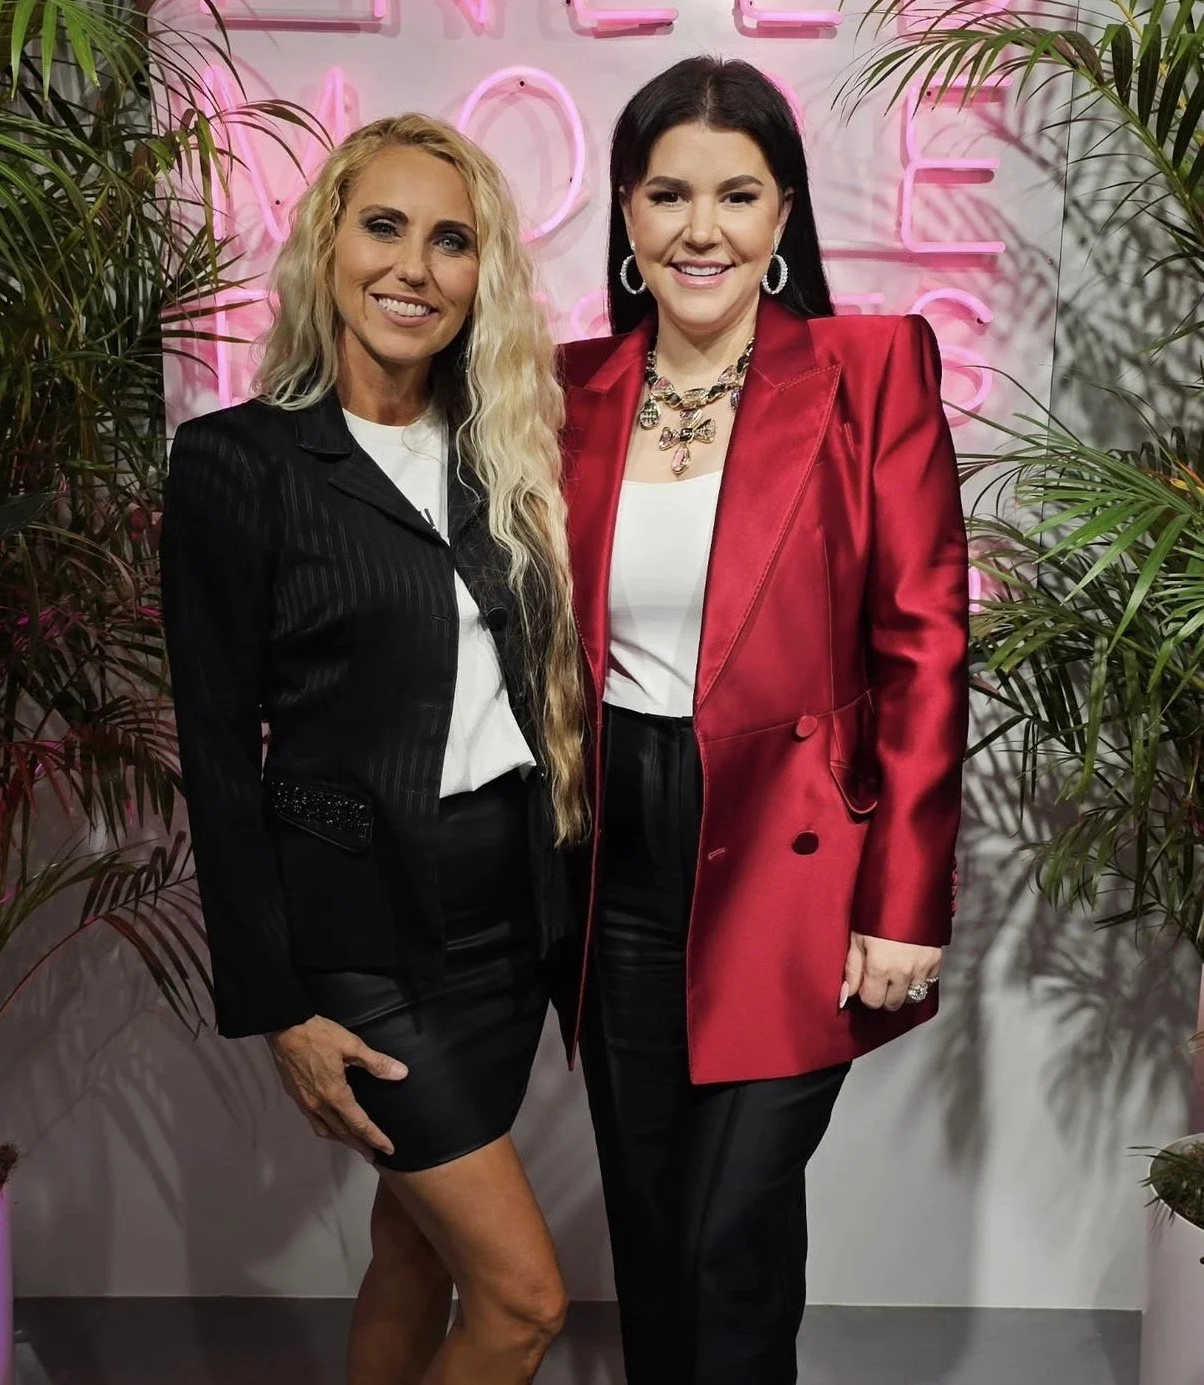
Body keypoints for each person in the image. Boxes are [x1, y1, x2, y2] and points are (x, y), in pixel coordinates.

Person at [558, 57, 970, 1385]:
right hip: (618, 850)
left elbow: (923, 643)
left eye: (737, 195)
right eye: (666, 193)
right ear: (623, 216)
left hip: (795, 857)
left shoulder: (867, 367)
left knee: (725, 1232)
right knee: (652, 1229)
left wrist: (904, 898)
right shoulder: (564, 392)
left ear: (783, 214)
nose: (700, 228)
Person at [161, 114, 586, 1385]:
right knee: (523, 1303)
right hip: (365, 932)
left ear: (482, 277)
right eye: (384, 225)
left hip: (509, 912)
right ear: (329, 247)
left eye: (452, 240)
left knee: (415, 1253)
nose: (415, 265)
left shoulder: (502, 451)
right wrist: (280, 1003)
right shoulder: (239, 462)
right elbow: (218, 751)